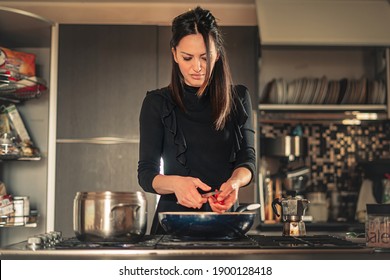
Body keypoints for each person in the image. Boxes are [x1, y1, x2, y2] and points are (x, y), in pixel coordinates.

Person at [137, 6, 256, 234]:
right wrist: (176, 184)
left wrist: (235, 183)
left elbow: (247, 160)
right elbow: (146, 175)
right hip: (172, 224)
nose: (197, 67)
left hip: (225, 222)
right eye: (187, 57)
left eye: (205, 57)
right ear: (174, 54)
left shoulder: (239, 97)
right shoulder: (156, 103)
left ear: (217, 55)